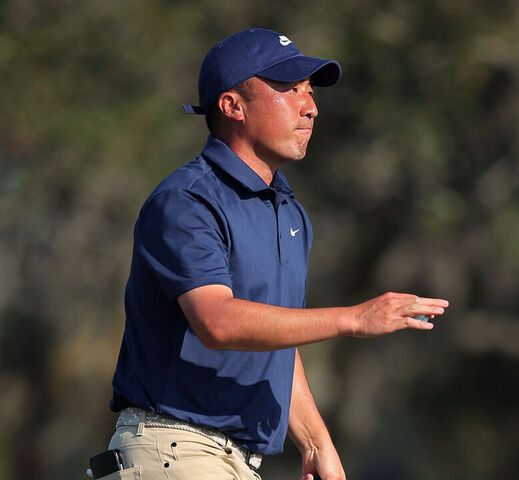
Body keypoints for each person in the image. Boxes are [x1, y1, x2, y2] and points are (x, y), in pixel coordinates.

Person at [105, 28, 449, 480]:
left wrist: (315, 441)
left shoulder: (289, 212)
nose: (310, 107)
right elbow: (218, 321)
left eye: (310, 92)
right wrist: (353, 318)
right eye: (289, 90)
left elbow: (275, 339)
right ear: (232, 106)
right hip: (173, 449)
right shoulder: (186, 202)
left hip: (232, 460)